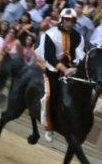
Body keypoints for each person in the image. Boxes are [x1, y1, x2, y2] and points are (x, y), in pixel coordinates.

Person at [35, 8, 85, 142]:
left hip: (70, 69)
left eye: (72, 21)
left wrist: (76, 66)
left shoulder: (79, 37)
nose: (69, 23)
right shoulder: (50, 34)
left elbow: (80, 54)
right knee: (49, 95)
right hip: (52, 68)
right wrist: (64, 69)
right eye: (67, 20)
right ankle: (48, 127)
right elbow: (49, 57)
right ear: (61, 20)